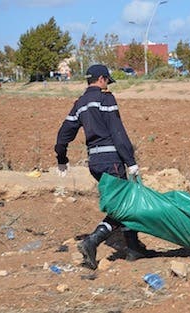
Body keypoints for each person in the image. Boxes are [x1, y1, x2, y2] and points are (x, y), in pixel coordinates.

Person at [54, 64, 151, 270]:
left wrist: (61, 158)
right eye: (107, 80)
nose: (107, 83)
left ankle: (134, 249)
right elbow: (117, 132)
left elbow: (64, 133)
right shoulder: (106, 99)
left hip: (95, 163)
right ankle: (93, 241)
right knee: (123, 204)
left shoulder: (79, 104)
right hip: (111, 161)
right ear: (101, 79)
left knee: (122, 202)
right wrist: (130, 161)